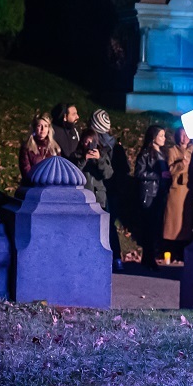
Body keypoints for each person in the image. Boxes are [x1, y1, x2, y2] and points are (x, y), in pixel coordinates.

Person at [80, 109, 124, 270]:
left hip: (105, 190)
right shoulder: (112, 144)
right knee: (108, 225)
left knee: (106, 225)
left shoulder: (105, 147)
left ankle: (112, 257)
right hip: (105, 189)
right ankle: (115, 258)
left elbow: (109, 171)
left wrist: (99, 160)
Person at [134, 124, 170, 270]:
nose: (164, 138)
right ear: (153, 137)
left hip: (159, 193)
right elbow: (139, 173)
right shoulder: (146, 154)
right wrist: (157, 176)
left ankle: (149, 257)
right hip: (149, 193)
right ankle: (149, 258)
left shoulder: (161, 153)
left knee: (155, 225)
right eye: (161, 135)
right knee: (149, 225)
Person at [162, 125, 193, 248]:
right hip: (176, 188)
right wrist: (181, 164)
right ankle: (169, 246)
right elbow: (170, 169)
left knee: (186, 218)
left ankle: (184, 245)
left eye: (186, 135)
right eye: (182, 135)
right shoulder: (173, 151)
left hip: (188, 188)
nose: (184, 138)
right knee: (174, 219)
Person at [19, 112, 60, 185]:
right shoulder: (27, 147)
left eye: (45, 126)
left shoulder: (55, 148)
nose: (42, 129)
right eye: (39, 125)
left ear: (49, 128)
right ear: (34, 128)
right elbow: (26, 171)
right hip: (32, 187)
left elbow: (58, 171)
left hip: (51, 187)